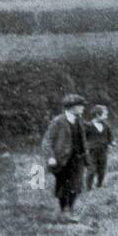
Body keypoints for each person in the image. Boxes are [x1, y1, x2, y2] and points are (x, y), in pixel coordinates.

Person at [43, 94, 89, 223]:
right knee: (63, 186)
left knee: (77, 185)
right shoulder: (58, 121)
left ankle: (70, 210)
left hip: (78, 158)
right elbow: (47, 141)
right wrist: (51, 157)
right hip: (62, 160)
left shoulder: (79, 120)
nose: (83, 108)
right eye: (80, 106)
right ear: (72, 107)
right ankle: (64, 211)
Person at [83, 105, 113, 189]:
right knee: (91, 169)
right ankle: (88, 187)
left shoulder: (106, 126)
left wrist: (111, 142)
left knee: (102, 169)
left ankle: (99, 185)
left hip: (103, 150)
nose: (106, 116)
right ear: (97, 115)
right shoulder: (88, 126)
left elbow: (110, 135)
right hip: (91, 151)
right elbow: (83, 137)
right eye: (104, 114)